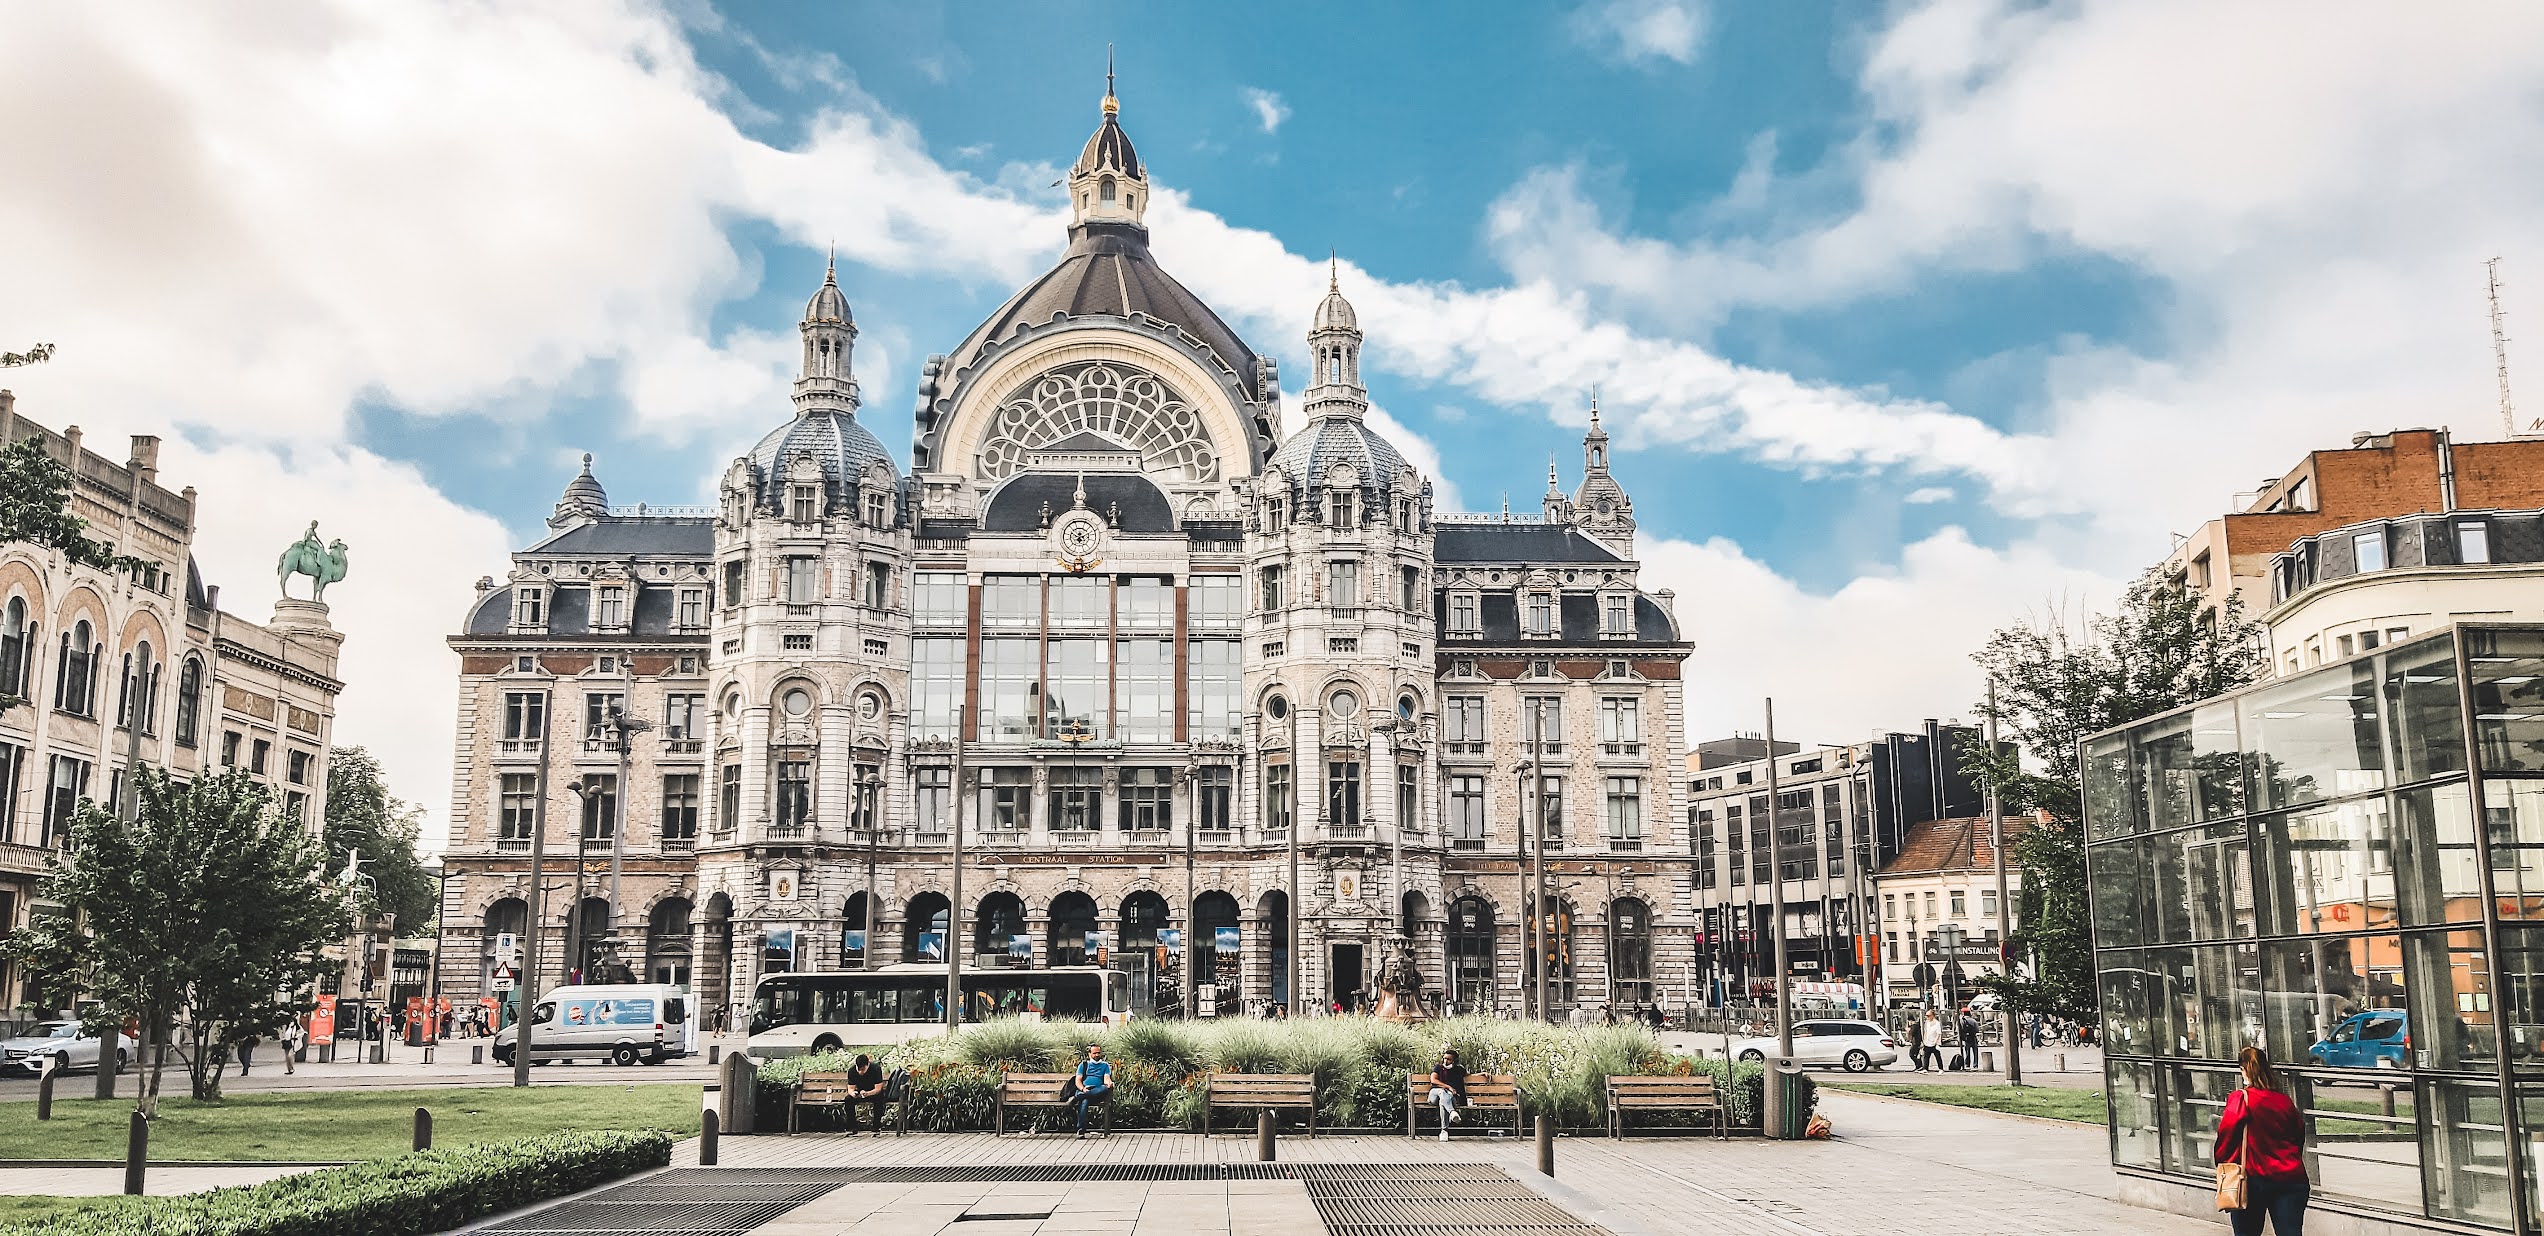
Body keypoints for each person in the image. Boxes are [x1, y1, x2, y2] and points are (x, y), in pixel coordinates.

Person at [2214, 1046, 2308, 1236]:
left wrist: (2224, 1163)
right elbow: (2298, 1135)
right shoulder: (2284, 1101)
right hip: (2291, 1178)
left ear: (2244, 1070)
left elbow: (2227, 1135)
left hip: (2253, 1180)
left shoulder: (2240, 1098)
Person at [1426, 1048, 1469, 1142]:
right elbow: (1433, 1080)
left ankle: (1444, 1131)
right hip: (1434, 1094)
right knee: (1442, 1092)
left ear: (1454, 1061)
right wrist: (1448, 1087)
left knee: (1443, 1101)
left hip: (1447, 1098)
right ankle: (1452, 1112)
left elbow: (1469, 1076)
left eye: (1448, 1059)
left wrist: (1482, 1074)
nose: (1446, 1061)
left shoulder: (1459, 1070)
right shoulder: (1438, 1067)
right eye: (1444, 1058)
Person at [1071, 1045, 1113, 1139]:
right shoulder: (1084, 1065)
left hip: (1098, 1093)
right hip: (1086, 1090)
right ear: (1089, 1054)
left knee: (1104, 1088)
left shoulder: (1105, 1065)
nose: (1097, 1055)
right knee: (1084, 1101)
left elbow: (1106, 1078)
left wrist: (1109, 1083)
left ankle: (1079, 1096)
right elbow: (1078, 1080)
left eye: (1098, 1053)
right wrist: (1083, 1089)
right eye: (1094, 1053)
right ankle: (1081, 1131)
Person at [844, 1053, 891, 1134]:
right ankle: (852, 1127)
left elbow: (878, 1088)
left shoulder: (875, 1069)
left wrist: (868, 1093)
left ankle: (876, 1126)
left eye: (862, 1069)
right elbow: (850, 1088)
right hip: (859, 1092)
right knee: (848, 1100)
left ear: (867, 1065)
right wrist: (854, 1093)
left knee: (879, 1099)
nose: (860, 1072)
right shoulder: (852, 1071)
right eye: (858, 1069)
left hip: (873, 1092)